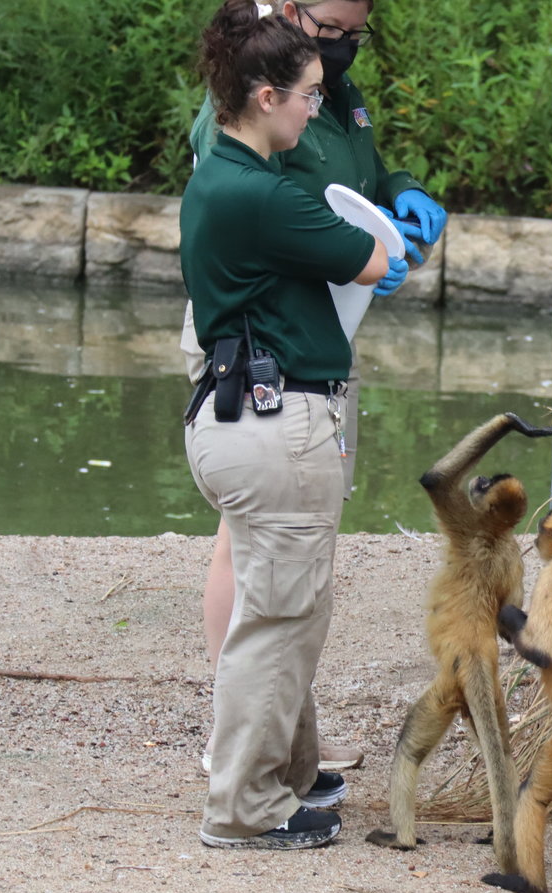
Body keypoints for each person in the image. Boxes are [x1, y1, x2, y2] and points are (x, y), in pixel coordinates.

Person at [186, 0, 448, 776]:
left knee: (289, 547)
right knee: (255, 537)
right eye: (331, 32)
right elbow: (265, 199)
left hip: (317, 332)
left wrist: (397, 195)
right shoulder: (253, 93)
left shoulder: (321, 84)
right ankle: (240, 747)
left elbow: (358, 168)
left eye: (355, 34)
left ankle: (278, 739)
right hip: (262, 343)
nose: (341, 50)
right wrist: (365, 249)